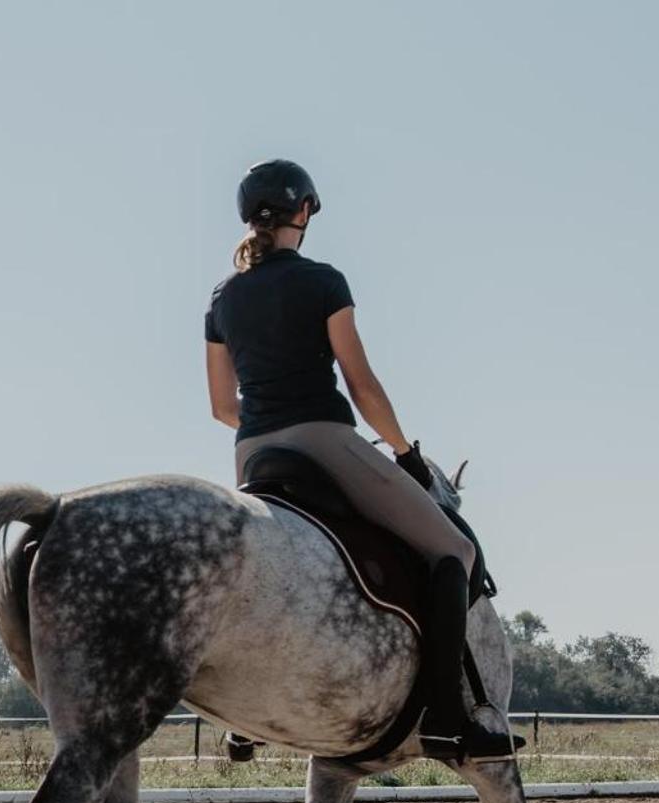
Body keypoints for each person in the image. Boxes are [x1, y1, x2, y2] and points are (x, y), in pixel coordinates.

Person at [204, 159, 516, 762]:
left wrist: (270, 424)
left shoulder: (223, 296)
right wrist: (404, 452)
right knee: (455, 550)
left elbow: (221, 406)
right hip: (324, 437)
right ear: (305, 212)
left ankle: (244, 720)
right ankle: (449, 718)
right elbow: (363, 387)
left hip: (254, 454)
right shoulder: (323, 280)